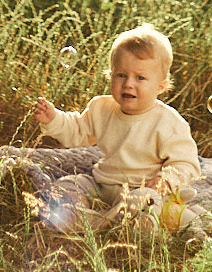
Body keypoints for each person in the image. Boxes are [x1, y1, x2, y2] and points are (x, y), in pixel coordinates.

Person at [34, 23, 200, 229]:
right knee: (67, 186)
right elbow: (77, 130)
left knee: (148, 202)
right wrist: (53, 118)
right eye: (121, 75)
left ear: (161, 86)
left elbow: (186, 163)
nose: (129, 83)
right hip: (103, 185)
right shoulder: (102, 108)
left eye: (140, 77)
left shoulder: (168, 122)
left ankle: (111, 222)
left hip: (142, 189)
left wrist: (165, 181)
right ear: (110, 75)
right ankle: (100, 220)